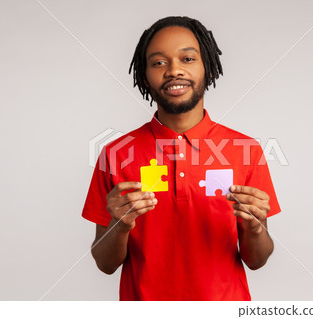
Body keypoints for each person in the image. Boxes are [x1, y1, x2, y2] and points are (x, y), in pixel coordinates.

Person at [82, 16, 281, 301]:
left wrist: (254, 227)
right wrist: (120, 224)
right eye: (159, 62)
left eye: (187, 58)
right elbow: (105, 264)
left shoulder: (245, 149)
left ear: (206, 66)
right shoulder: (116, 153)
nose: (174, 70)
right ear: (144, 73)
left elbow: (257, 260)